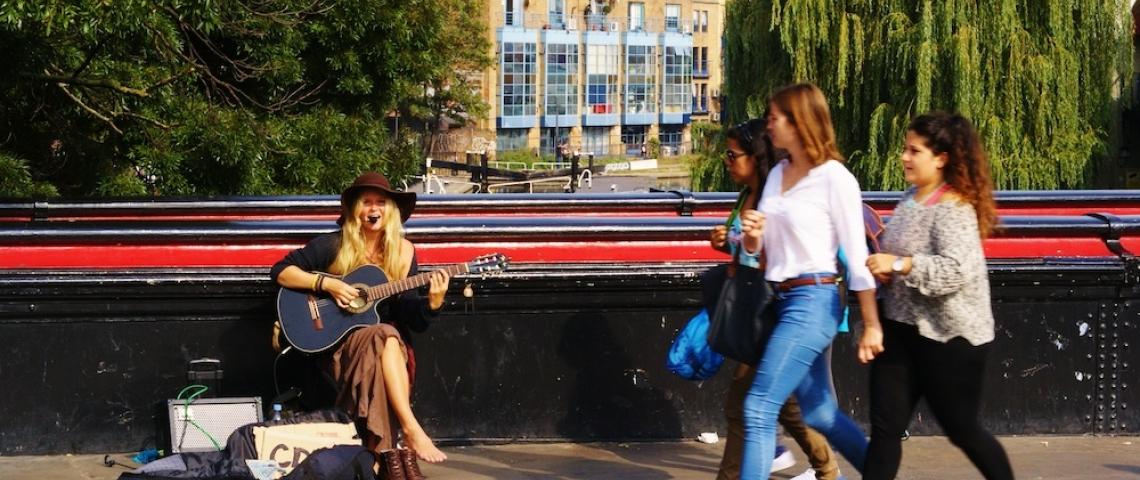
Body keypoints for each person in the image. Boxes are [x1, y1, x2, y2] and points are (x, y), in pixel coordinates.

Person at [735, 83, 883, 479]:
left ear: (800, 124)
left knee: (758, 407)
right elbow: (761, 248)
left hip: (814, 301)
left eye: (775, 118)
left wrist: (871, 324)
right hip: (783, 299)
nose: (769, 126)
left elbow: (857, 255)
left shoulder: (835, 178)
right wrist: (751, 233)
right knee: (819, 411)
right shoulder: (779, 173)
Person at [863, 113, 1013, 480]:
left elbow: (955, 271)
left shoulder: (954, 208)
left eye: (914, 150)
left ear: (941, 158)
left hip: (950, 337)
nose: (904, 157)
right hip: (901, 329)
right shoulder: (910, 197)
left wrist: (898, 265)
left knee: (962, 429)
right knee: (885, 430)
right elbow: (903, 260)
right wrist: (887, 269)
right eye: (904, 149)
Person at [270, 171, 450, 463]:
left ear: (390, 211)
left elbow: (409, 316)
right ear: (356, 209)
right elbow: (281, 271)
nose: (374, 209)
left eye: (381, 202)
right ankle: (409, 432)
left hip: (379, 346)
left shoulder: (403, 253)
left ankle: (382, 461)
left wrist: (433, 304)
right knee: (386, 338)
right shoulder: (334, 244)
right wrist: (327, 284)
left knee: (386, 339)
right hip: (335, 345)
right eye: (367, 202)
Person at [710, 119, 843, 480]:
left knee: (745, 404)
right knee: (787, 404)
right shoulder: (747, 195)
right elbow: (750, 251)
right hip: (755, 306)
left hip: (779, 309)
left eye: (732, 154)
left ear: (755, 157)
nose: (727, 160)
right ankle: (828, 470)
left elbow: (784, 254)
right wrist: (727, 242)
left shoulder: (780, 196)